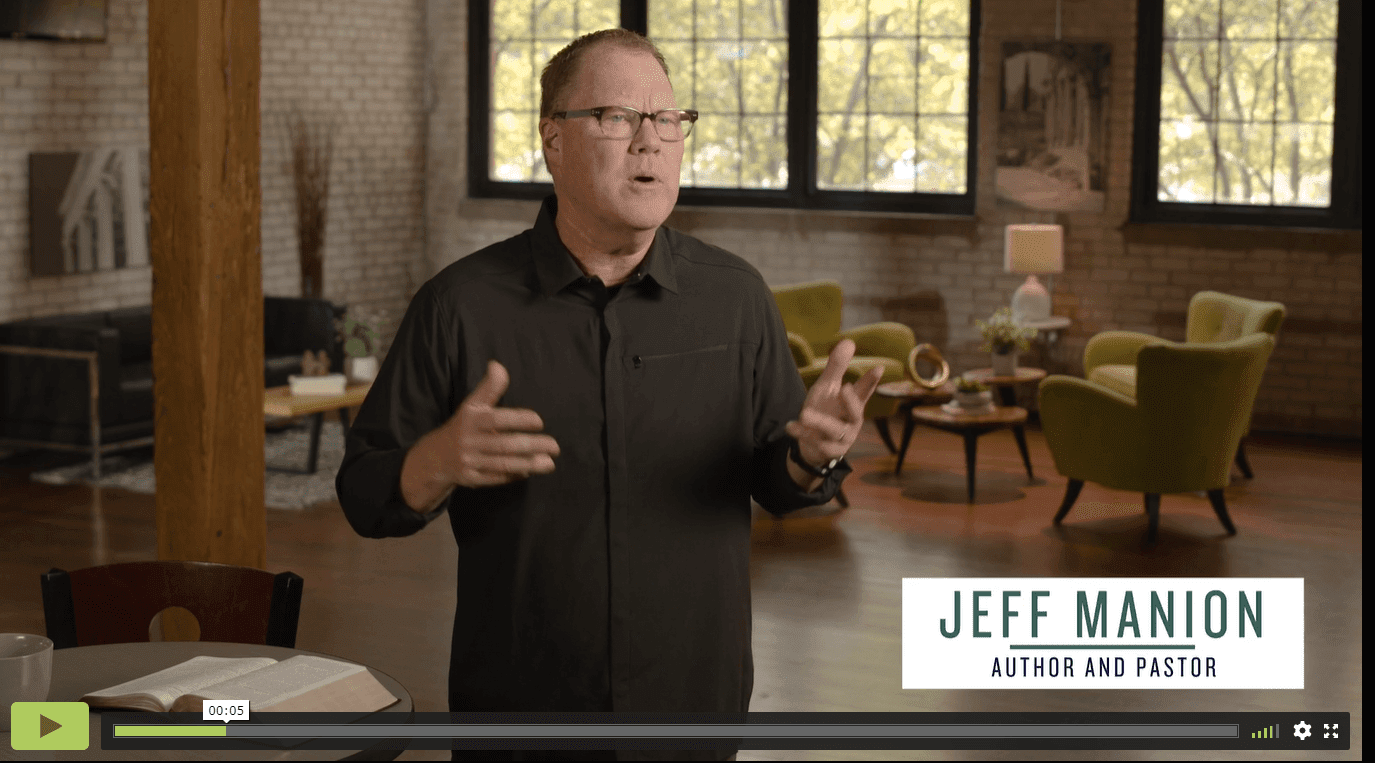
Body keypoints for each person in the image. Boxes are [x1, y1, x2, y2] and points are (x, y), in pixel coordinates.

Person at [335, 28, 883, 762]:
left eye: (667, 119)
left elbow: (778, 482)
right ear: (552, 140)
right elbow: (364, 496)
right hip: (520, 714)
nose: (650, 140)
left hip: (693, 707)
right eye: (617, 117)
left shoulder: (735, 298)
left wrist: (812, 456)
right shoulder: (459, 307)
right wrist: (432, 462)